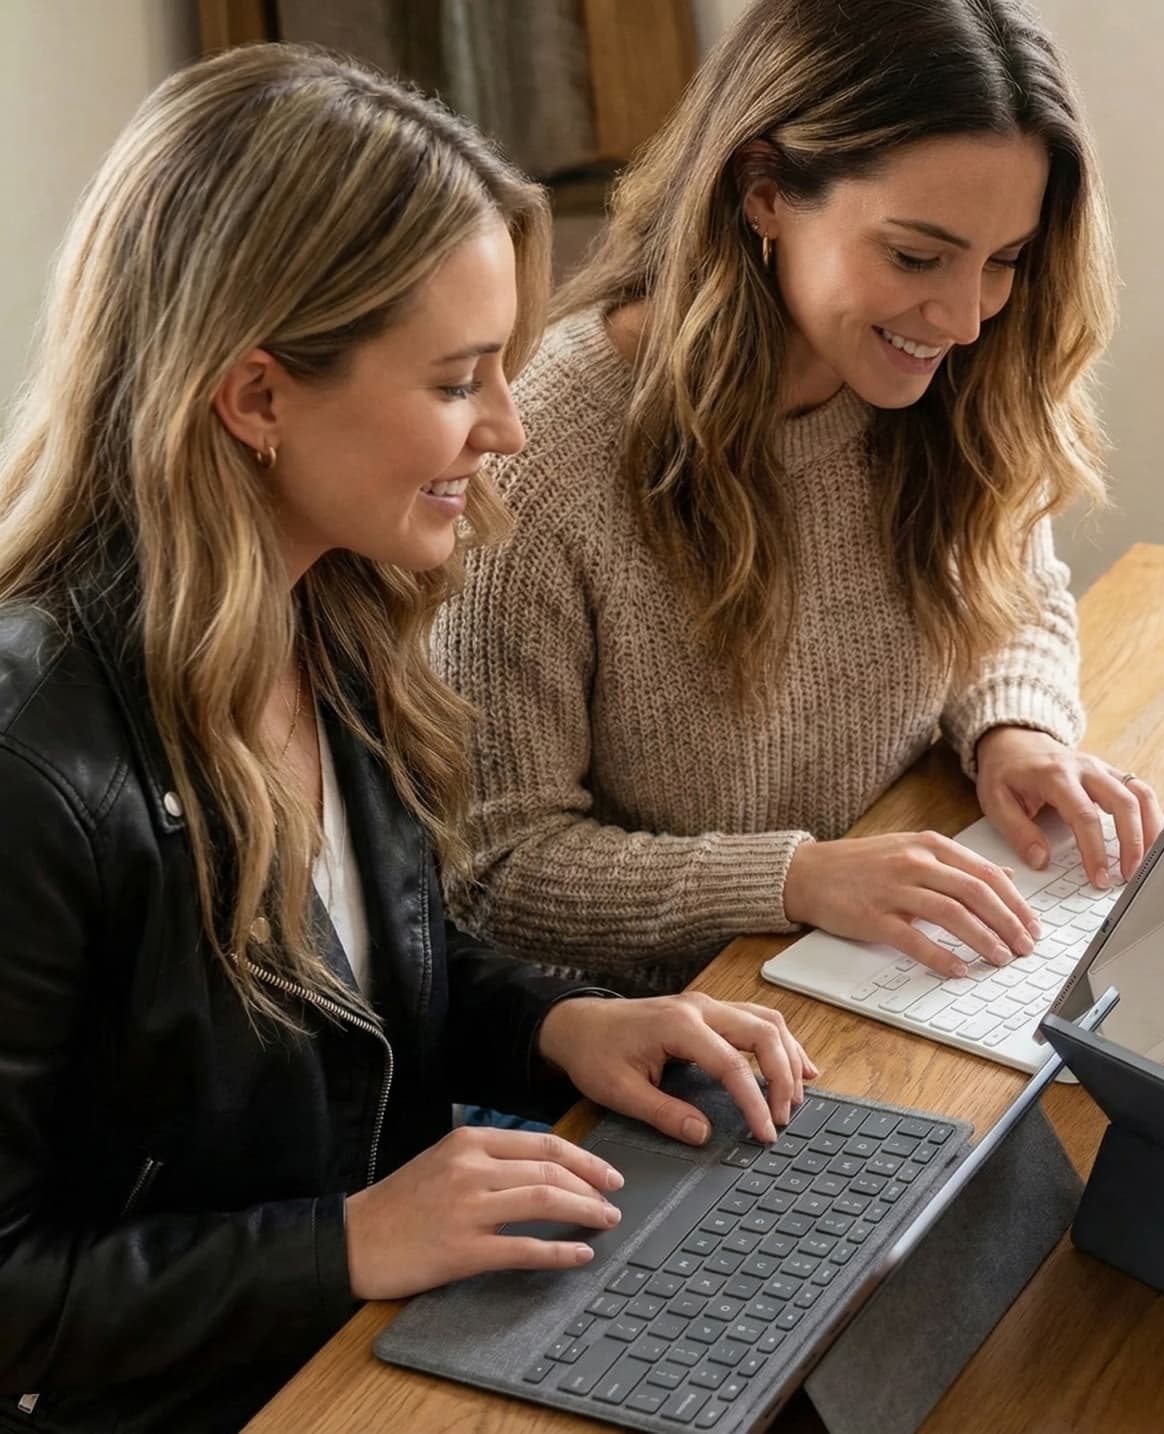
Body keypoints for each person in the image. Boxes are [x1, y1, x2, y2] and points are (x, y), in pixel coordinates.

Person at [0, 46, 810, 1433]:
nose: (506, 424)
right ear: (255, 400)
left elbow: (375, 985)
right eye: (458, 379)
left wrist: (563, 1023)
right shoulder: (32, 770)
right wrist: (356, 1237)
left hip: (373, 1336)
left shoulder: (341, 612)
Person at [434, 0, 1164, 995]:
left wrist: (1015, 728)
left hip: (890, 966)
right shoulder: (542, 458)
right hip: (678, 1034)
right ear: (766, 189)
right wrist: (794, 879)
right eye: (915, 255)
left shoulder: (950, 386)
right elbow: (497, 871)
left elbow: (1013, 591)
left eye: (1004, 262)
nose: (961, 317)